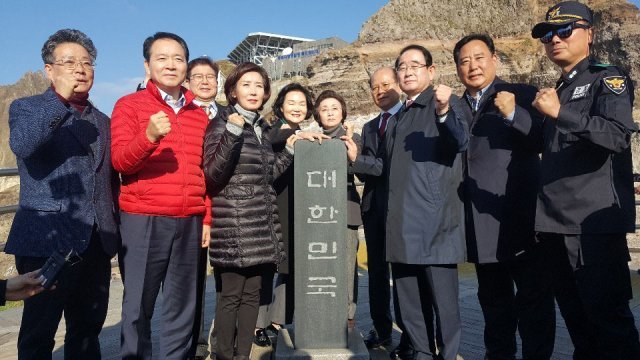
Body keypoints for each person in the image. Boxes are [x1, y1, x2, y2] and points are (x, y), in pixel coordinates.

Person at [529, 2, 640, 358]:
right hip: (555, 228)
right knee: (578, 325)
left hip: (593, 230)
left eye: (565, 30)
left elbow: (617, 135)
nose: (554, 39)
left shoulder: (607, 79)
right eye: (547, 34)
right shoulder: (557, 90)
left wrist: (561, 114)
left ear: (589, 34)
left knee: (609, 323)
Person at [6, 28, 120, 359]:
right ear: (49, 70)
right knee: (39, 334)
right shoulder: (26, 107)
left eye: (87, 62)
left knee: (87, 330)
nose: (80, 69)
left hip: (96, 243)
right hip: (46, 241)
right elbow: (24, 143)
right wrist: (59, 99)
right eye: (69, 61)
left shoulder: (103, 120)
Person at [453, 34, 555, 360]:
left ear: (494, 59)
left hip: (522, 221)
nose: (473, 66)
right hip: (479, 225)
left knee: (534, 303)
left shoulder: (521, 94)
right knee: (493, 305)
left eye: (479, 57)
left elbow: (544, 141)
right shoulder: (453, 107)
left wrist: (513, 115)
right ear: (457, 68)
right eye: (464, 60)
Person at [111, 32, 211, 359]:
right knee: (138, 306)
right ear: (147, 64)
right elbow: (121, 161)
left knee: (182, 309)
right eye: (162, 58)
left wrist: (206, 217)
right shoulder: (129, 105)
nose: (171, 65)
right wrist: (149, 136)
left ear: (186, 65)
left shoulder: (198, 113)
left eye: (178, 58)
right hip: (143, 219)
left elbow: (203, 171)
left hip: (190, 221)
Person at [202, 62, 302, 360]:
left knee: (252, 298)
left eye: (259, 85)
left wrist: (290, 151)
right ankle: (224, 355)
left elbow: (267, 175)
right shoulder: (222, 124)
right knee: (230, 297)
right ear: (232, 91)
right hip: (233, 225)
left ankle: (242, 355)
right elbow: (212, 174)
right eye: (246, 85)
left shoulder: (260, 127)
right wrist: (232, 131)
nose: (254, 91)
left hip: (260, 226)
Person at [385, 44, 469, 360]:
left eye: (415, 65)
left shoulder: (445, 103)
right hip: (401, 223)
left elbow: (460, 140)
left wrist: (445, 111)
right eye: (402, 66)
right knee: (410, 304)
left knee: (443, 305)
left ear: (431, 71)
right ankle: (421, 352)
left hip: (435, 224)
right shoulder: (398, 116)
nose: (407, 71)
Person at [347, 66, 410, 353]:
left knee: (406, 277)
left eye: (386, 84)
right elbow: (366, 174)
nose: (380, 91)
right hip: (374, 210)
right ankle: (382, 330)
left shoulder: (411, 118)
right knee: (376, 276)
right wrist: (358, 160)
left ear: (398, 84)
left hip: (405, 209)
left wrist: (359, 160)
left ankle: (411, 336)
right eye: (375, 87)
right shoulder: (370, 127)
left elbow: (388, 166)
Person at [253, 83, 317, 347]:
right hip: (273, 206)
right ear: (280, 106)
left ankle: (278, 320)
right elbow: (273, 141)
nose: (297, 108)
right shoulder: (272, 132)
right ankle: (258, 323)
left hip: (299, 207)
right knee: (269, 266)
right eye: (291, 102)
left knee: (290, 268)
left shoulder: (306, 134)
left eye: (301, 103)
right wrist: (295, 135)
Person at [185, 55, 228, 360]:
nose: (204, 81)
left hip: (228, 209)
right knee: (194, 280)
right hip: (196, 209)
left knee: (227, 279)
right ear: (187, 82)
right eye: (197, 76)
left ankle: (225, 337)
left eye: (210, 76)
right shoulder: (181, 113)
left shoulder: (229, 114)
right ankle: (196, 342)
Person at [314, 89, 363, 328]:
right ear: (317, 115)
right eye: (324, 109)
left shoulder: (354, 138)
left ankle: (347, 316)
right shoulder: (313, 141)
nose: (330, 113)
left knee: (345, 267)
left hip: (345, 209)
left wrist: (348, 147)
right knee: (321, 265)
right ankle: (320, 313)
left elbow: (359, 170)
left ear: (343, 112)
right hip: (318, 213)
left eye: (334, 108)